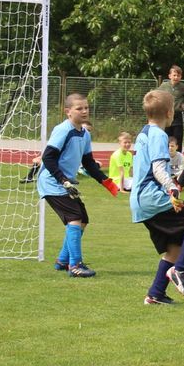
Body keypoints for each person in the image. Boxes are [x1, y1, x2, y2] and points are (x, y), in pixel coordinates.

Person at [131, 90, 184, 305]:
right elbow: (157, 168)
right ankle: (181, 270)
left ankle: (155, 294)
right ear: (169, 112)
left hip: (141, 200)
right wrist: (172, 188)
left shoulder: (144, 133)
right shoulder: (159, 135)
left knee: (175, 246)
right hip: (152, 197)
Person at [37, 93, 120, 277]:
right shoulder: (63, 130)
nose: (84, 111)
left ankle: (63, 260)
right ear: (68, 111)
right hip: (51, 182)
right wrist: (62, 179)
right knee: (74, 218)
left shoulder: (85, 134)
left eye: (86, 108)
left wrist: (106, 181)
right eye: (79, 108)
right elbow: (48, 158)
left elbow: (88, 162)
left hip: (64, 184)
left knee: (82, 220)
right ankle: (75, 266)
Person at [157, 65, 184, 150]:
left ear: (181, 77)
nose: (176, 77)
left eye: (178, 76)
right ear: (170, 76)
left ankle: (178, 154)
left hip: (177, 115)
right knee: (166, 136)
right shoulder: (164, 86)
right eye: (174, 75)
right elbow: (157, 94)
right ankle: (166, 154)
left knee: (178, 137)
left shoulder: (183, 87)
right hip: (166, 115)